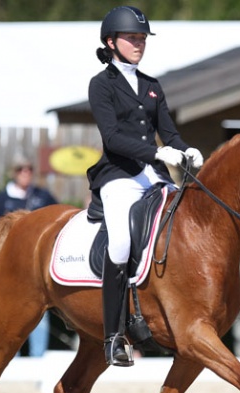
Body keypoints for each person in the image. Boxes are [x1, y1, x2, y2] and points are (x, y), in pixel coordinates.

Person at [88, 6, 204, 367]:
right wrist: (159, 153)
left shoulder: (152, 86)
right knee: (121, 240)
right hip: (118, 176)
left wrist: (188, 151)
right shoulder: (101, 84)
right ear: (112, 42)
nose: (139, 44)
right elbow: (112, 138)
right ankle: (113, 337)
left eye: (142, 39)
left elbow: (170, 133)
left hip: (153, 176)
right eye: (132, 38)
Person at [0, 156, 58, 356]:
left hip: (36, 268)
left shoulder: (42, 196)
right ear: (14, 172)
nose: (25, 172)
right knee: (9, 314)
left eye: (29, 169)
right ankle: (9, 360)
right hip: (11, 265)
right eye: (21, 169)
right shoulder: (2, 199)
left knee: (41, 312)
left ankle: (37, 360)